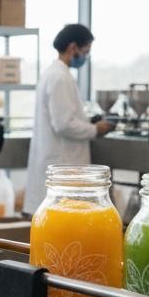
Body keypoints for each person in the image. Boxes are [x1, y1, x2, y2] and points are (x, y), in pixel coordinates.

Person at [24, 23, 115, 213]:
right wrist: (96, 129)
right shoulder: (60, 77)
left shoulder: (53, 73)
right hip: (62, 165)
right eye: (86, 50)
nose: (86, 56)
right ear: (73, 47)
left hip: (57, 163)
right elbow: (64, 124)